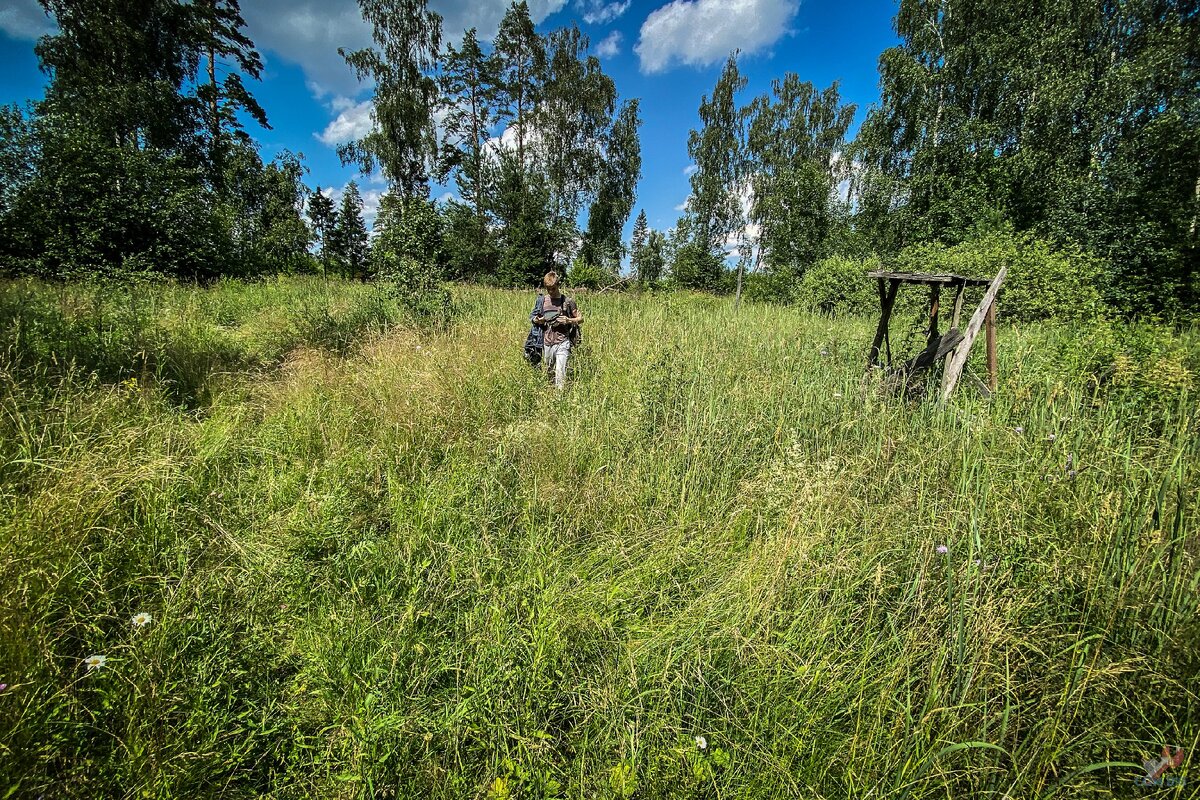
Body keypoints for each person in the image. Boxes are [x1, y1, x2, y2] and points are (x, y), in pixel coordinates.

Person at [531, 270, 581, 388]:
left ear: (558, 285)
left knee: (560, 374)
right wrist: (537, 320)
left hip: (563, 342)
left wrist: (569, 320)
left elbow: (580, 318)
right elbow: (532, 317)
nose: (551, 291)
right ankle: (549, 395)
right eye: (548, 289)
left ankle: (560, 400)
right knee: (549, 373)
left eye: (553, 288)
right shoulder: (542, 301)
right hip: (547, 342)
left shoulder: (568, 301)